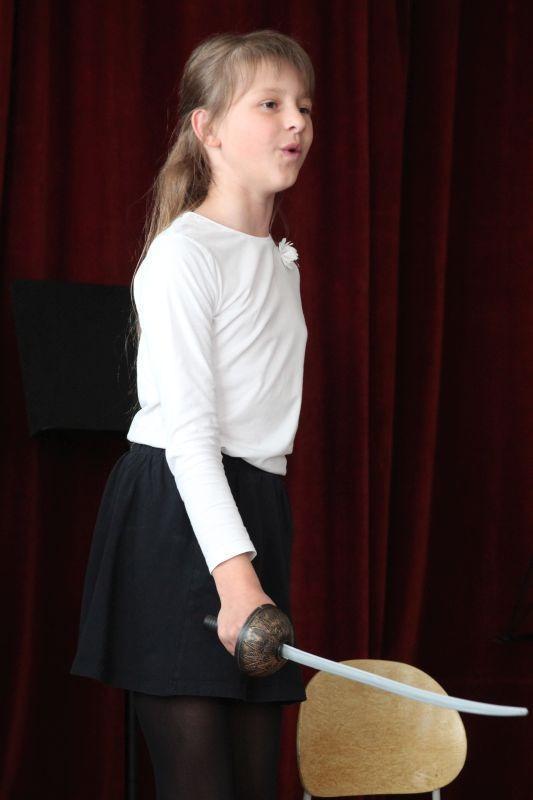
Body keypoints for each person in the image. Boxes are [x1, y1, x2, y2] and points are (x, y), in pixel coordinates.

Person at [70, 28, 314, 800]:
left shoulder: (278, 262)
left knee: (254, 783)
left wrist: (250, 561)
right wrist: (236, 581)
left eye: (304, 106)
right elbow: (190, 436)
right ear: (206, 128)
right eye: (269, 104)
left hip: (251, 509)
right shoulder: (185, 254)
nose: (296, 122)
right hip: (181, 517)